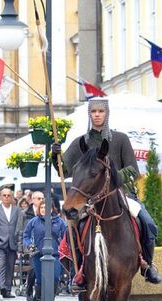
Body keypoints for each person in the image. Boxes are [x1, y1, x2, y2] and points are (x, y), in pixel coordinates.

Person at [52, 97, 162, 286]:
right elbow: (65, 170)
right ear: (89, 114)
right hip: (89, 200)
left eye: (101, 111)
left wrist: (113, 176)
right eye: (94, 111)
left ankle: (147, 265)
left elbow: (133, 169)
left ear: (107, 113)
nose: (97, 115)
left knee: (148, 223)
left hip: (121, 194)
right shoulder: (80, 143)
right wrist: (55, 156)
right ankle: (78, 270)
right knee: (72, 228)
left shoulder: (120, 139)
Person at [23, 201, 67, 301]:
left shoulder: (59, 222)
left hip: (55, 254)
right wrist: (29, 245)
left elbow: (66, 236)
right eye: (42, 207)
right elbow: (26, 235)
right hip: (38, 254)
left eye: (46, 207)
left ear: (52, 209)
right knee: (40, 279)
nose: (44, 209)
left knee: (55, 278)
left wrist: (63, 247)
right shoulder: (34, 221)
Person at [15, 190, 44, 301]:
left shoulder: (46, 212)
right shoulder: (25, 213)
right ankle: (29, 289)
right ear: (33, 200)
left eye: (42, 198)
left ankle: (38, 294)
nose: (41, 200)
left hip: (43, 245)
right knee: (33, 269)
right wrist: (20, 249)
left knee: (42, 270)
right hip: (31, 245)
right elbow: (20, 231)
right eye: (39, 198)